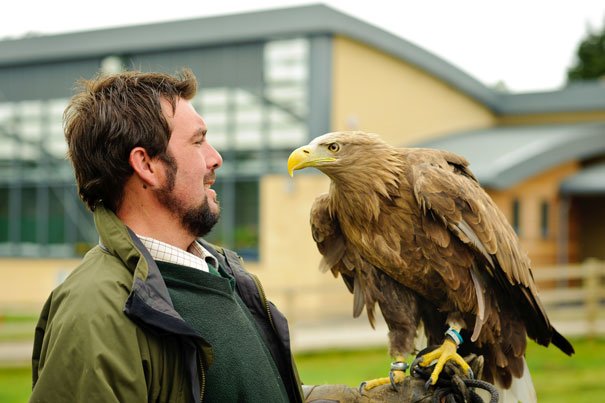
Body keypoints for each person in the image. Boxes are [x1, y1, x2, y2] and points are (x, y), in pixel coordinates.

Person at [30, 69, 481, 403]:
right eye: (198, 142)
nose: (216, 157)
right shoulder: (97, 314)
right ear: (146, 165)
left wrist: (359, 401)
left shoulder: (225, 277)